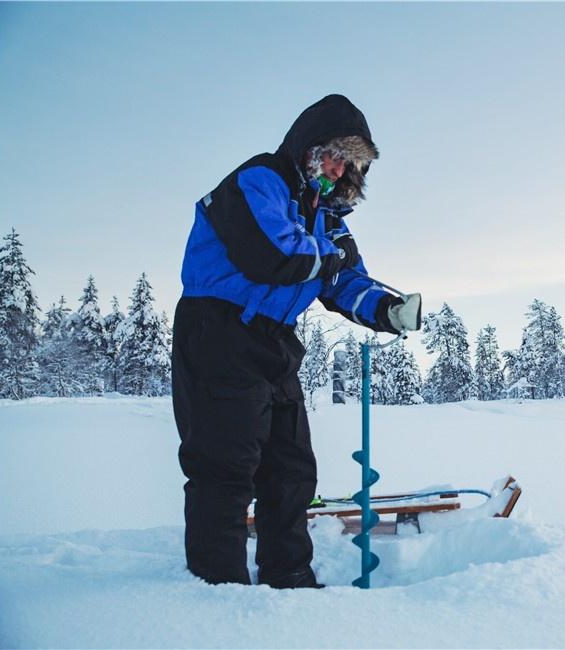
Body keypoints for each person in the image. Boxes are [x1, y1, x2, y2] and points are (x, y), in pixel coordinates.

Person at [172, 94, 421, 588]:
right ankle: (216, 587)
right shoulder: (260, 180)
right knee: (226, 465)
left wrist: (387, 310)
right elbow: (272, 254)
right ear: (309, 147)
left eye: (348, 165)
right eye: (332, 155)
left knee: (290, 469)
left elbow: (347, 281)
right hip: (218, 330)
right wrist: (329, 257)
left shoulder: (328, 219)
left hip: (274, 340)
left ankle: (289, 577)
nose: (337, 170)